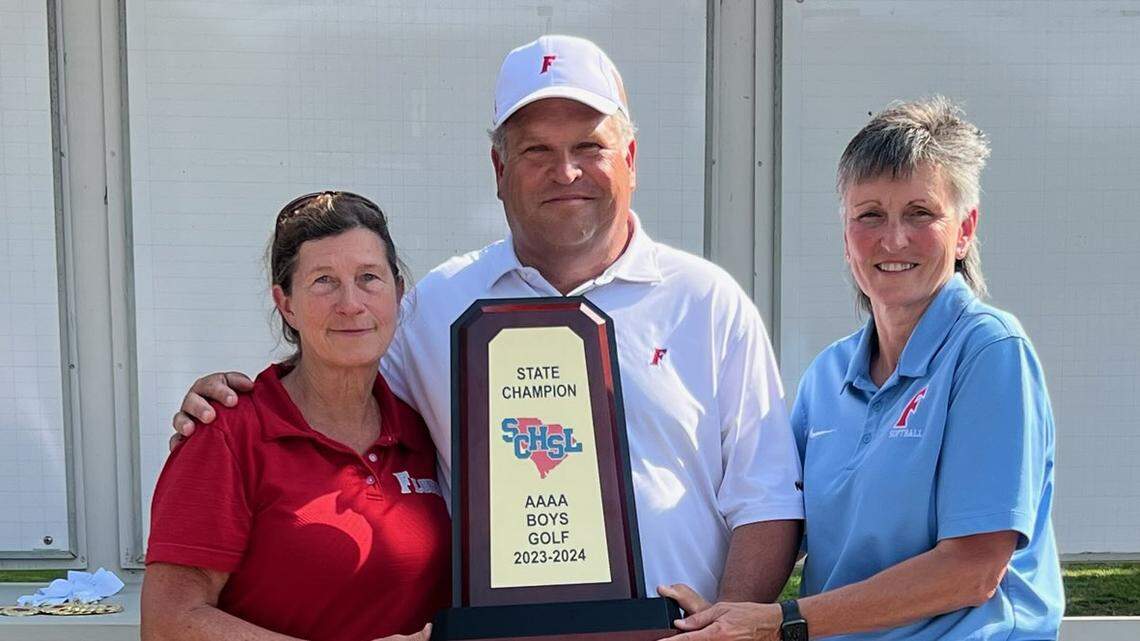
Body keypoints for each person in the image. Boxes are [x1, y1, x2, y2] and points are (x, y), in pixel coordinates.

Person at [170, 34, 805, 604]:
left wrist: (726, 623)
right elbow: (338, 388)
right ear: (499, 170)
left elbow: (766, 496)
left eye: (589, 146)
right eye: (536, 150)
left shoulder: (706, 301)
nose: (565, 171)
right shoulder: (438, 305)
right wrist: (234, 405)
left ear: (631, 159)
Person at [659, 97, 1063, 640]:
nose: (893, 239)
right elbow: (774, 517)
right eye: (869, 215)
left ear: (965, 229)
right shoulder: (827, 377)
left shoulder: (989, 350)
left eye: (920, 213)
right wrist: (718, 615)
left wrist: (782, 622)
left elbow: (972, 570)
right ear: (845, 235)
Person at [142, 192, 449, 641]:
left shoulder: (423, 427)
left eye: (369, 277)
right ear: (286, 303)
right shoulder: (228, 434)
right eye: (324, 281)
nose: (351, 303)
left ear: (398, 293)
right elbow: (168, 622)